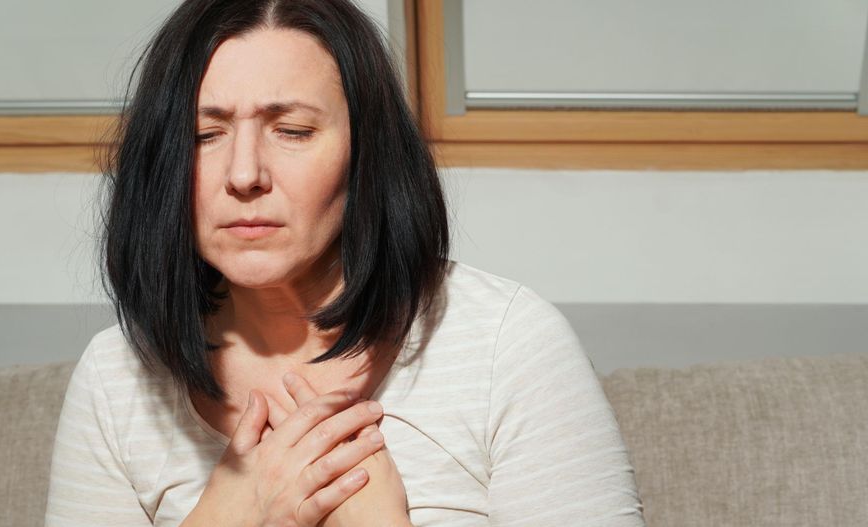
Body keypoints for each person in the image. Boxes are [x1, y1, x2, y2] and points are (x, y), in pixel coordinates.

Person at [45, 0, 645, 525]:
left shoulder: (508, 345)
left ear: (366, 154)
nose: (245, 174)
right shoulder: (115, 379)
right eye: (205, 135)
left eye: (292, 130)